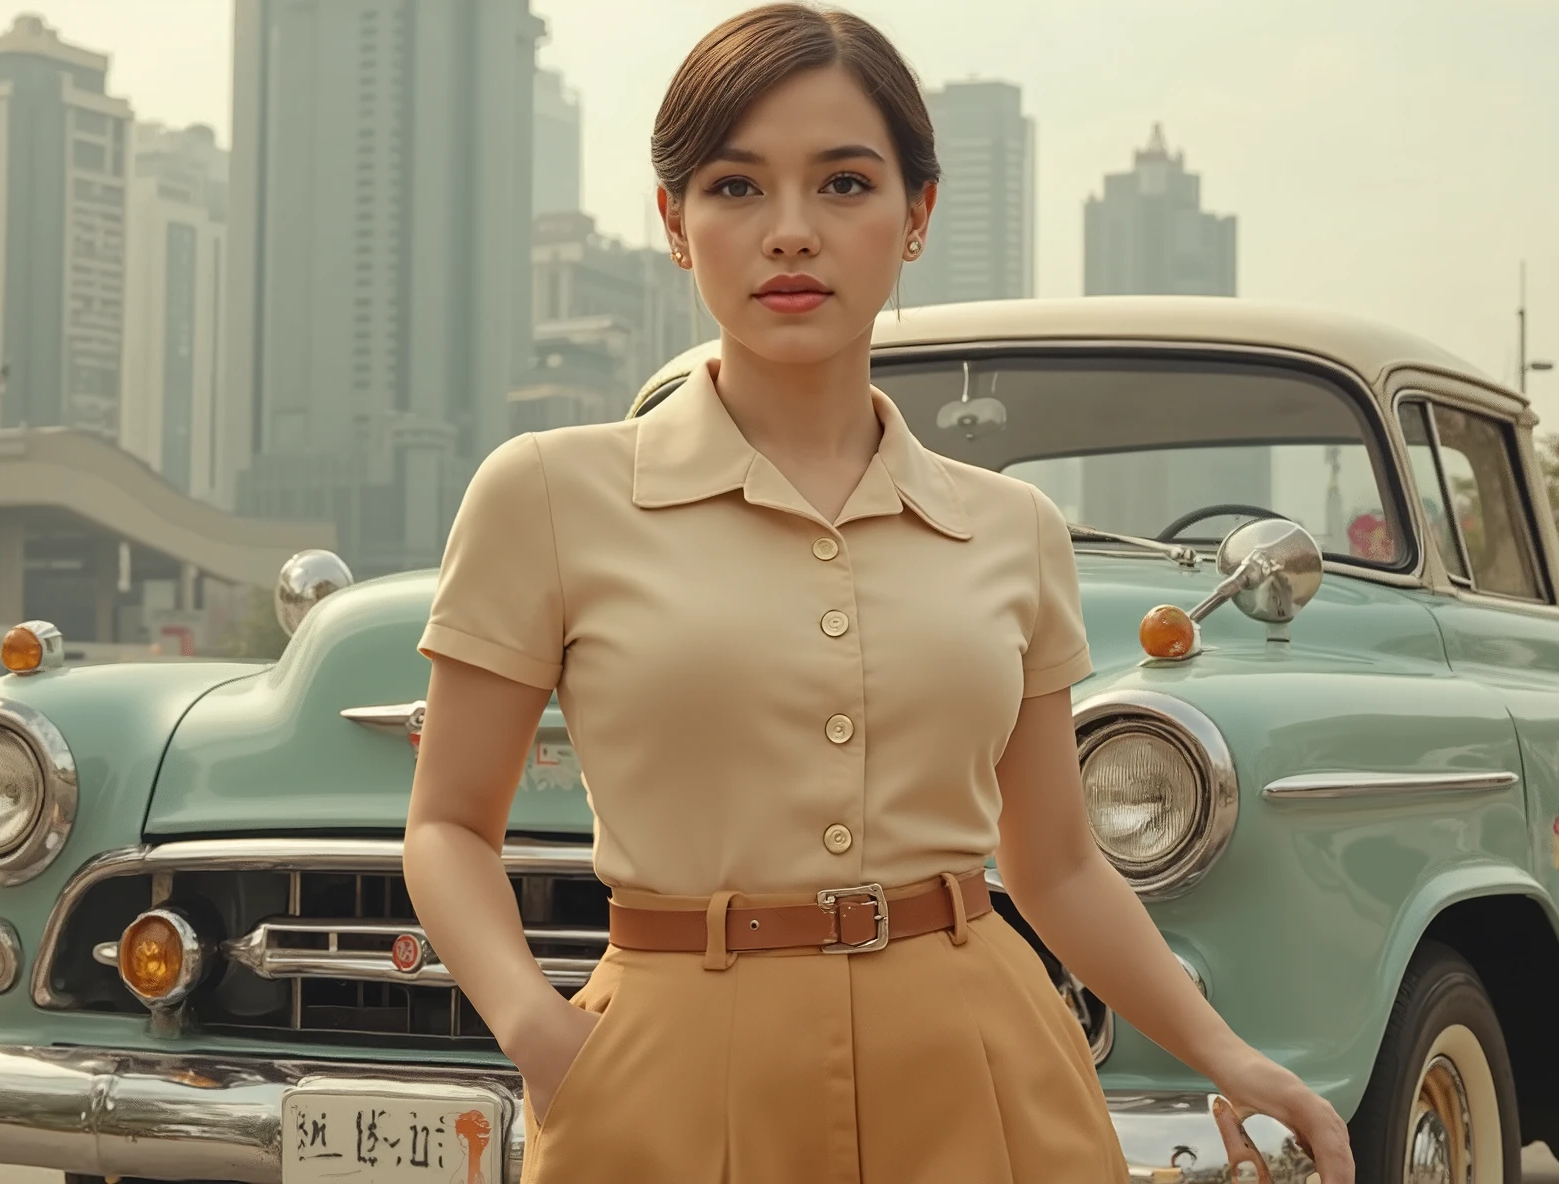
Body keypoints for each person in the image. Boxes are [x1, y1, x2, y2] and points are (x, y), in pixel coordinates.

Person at [402, 4, 1354, 1180]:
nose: (789, 232)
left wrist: (1225, 1052)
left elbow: (1053, 861)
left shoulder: (1011, 530)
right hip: (663, 1075)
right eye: (735, 187)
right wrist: (540, 1036)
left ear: (915, 215)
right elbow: (447, 823)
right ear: (673, 221)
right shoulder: (545, 493)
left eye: (843, 185)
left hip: (983, 1065)